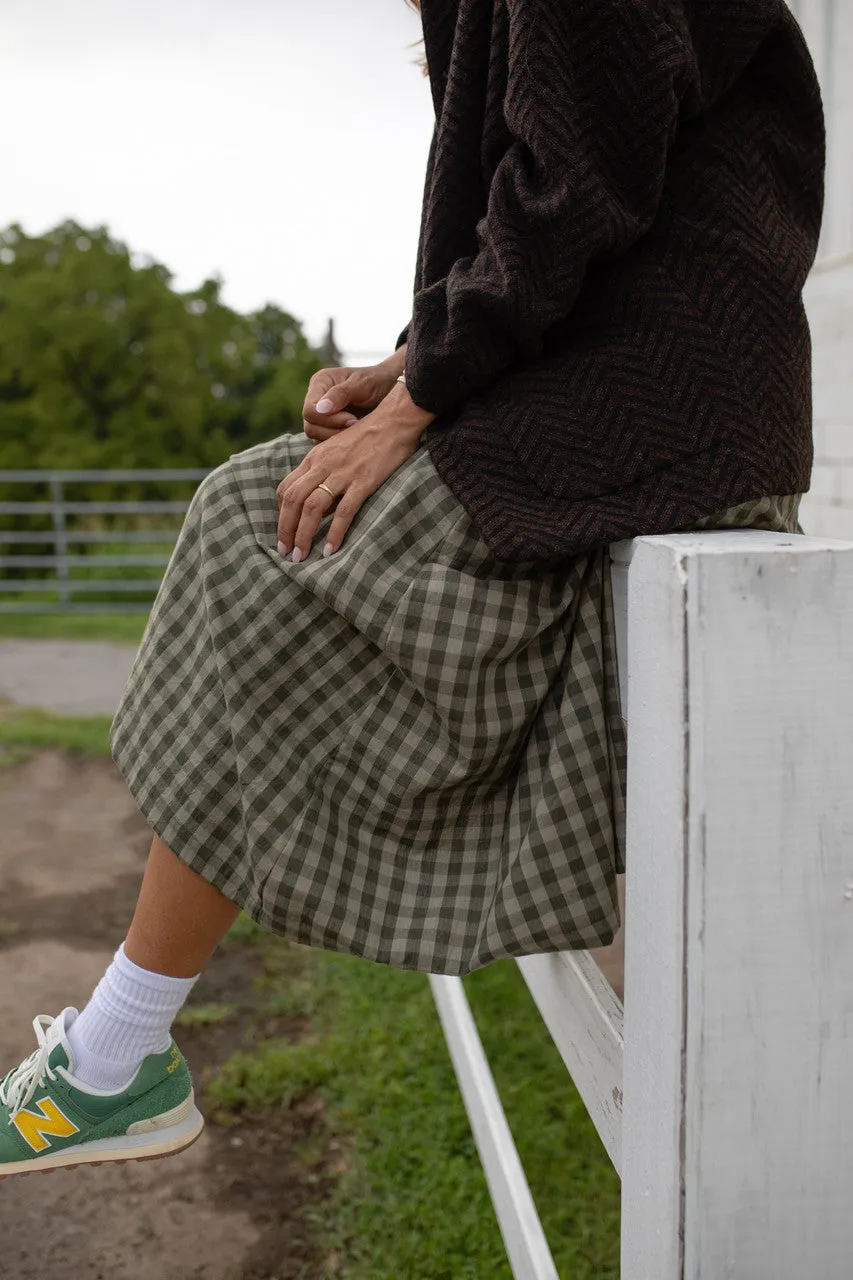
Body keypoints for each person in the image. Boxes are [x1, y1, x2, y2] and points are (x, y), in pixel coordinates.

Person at [0, 0, 824, 1176]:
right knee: (263, 514)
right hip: (622, 386)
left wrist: (418, 399)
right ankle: (114, 1053)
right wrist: (408, 361)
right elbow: (559, 190)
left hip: (656, 406)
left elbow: (574, 182)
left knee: (264, 525)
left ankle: (114, 1057)